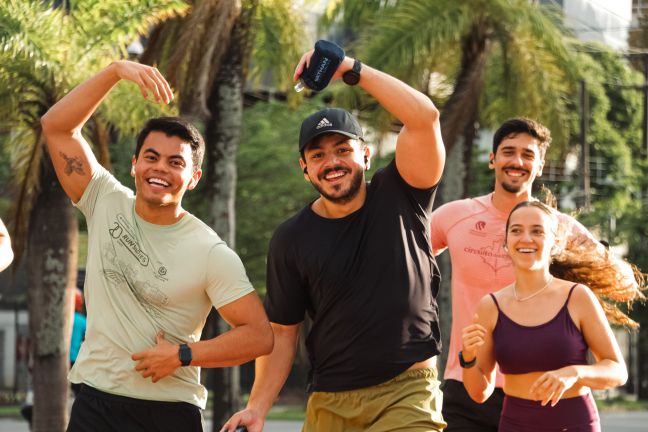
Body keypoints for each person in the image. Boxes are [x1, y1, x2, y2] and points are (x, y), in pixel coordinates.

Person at [222, 43, 446, 432]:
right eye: (318, 156)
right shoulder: (291, 239)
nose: (332, 163)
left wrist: (350, 68)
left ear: (366, 155)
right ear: (305, 169)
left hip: (407, 393)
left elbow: (425, 118)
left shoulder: (402, 193)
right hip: (330, 400)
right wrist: (257, 408)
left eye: (342, 149)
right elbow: (282, 331)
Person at [40, 60, 273, 432]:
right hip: (95, 403)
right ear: (134, 164)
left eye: (175, 162)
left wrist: (184, 355)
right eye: (151, 157)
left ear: (193, 178)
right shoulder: (103, 199)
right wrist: (115, 71)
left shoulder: (210, 251)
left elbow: (260, 335)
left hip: (169, 412)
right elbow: (57, 126)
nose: (159, 168)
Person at [430, 117, 642, 431]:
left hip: (544, 391)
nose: (517, 161)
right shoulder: (454, 216)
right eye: (508, 152)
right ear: (493, 159)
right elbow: (406, 263)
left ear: (540, 166)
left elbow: (625, 287)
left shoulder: (560, 229)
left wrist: (591, 253)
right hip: (470, 383)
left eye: (528, 155)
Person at [461, 200, 629, 431]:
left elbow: (617, 371)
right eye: (516, 230)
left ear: (555, 243)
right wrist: (468, 357)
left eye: (537, 231)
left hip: (575, 423)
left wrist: (574, 372)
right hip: (515, 424)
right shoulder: (490, 306)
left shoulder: (578, 297)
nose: (526, 238)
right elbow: (479, 393)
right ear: (505, 243)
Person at [69, 287, 86, 396]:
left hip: (58, 360)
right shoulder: (82, 320)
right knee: (77, 391)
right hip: (75, 360)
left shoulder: (61, 318)